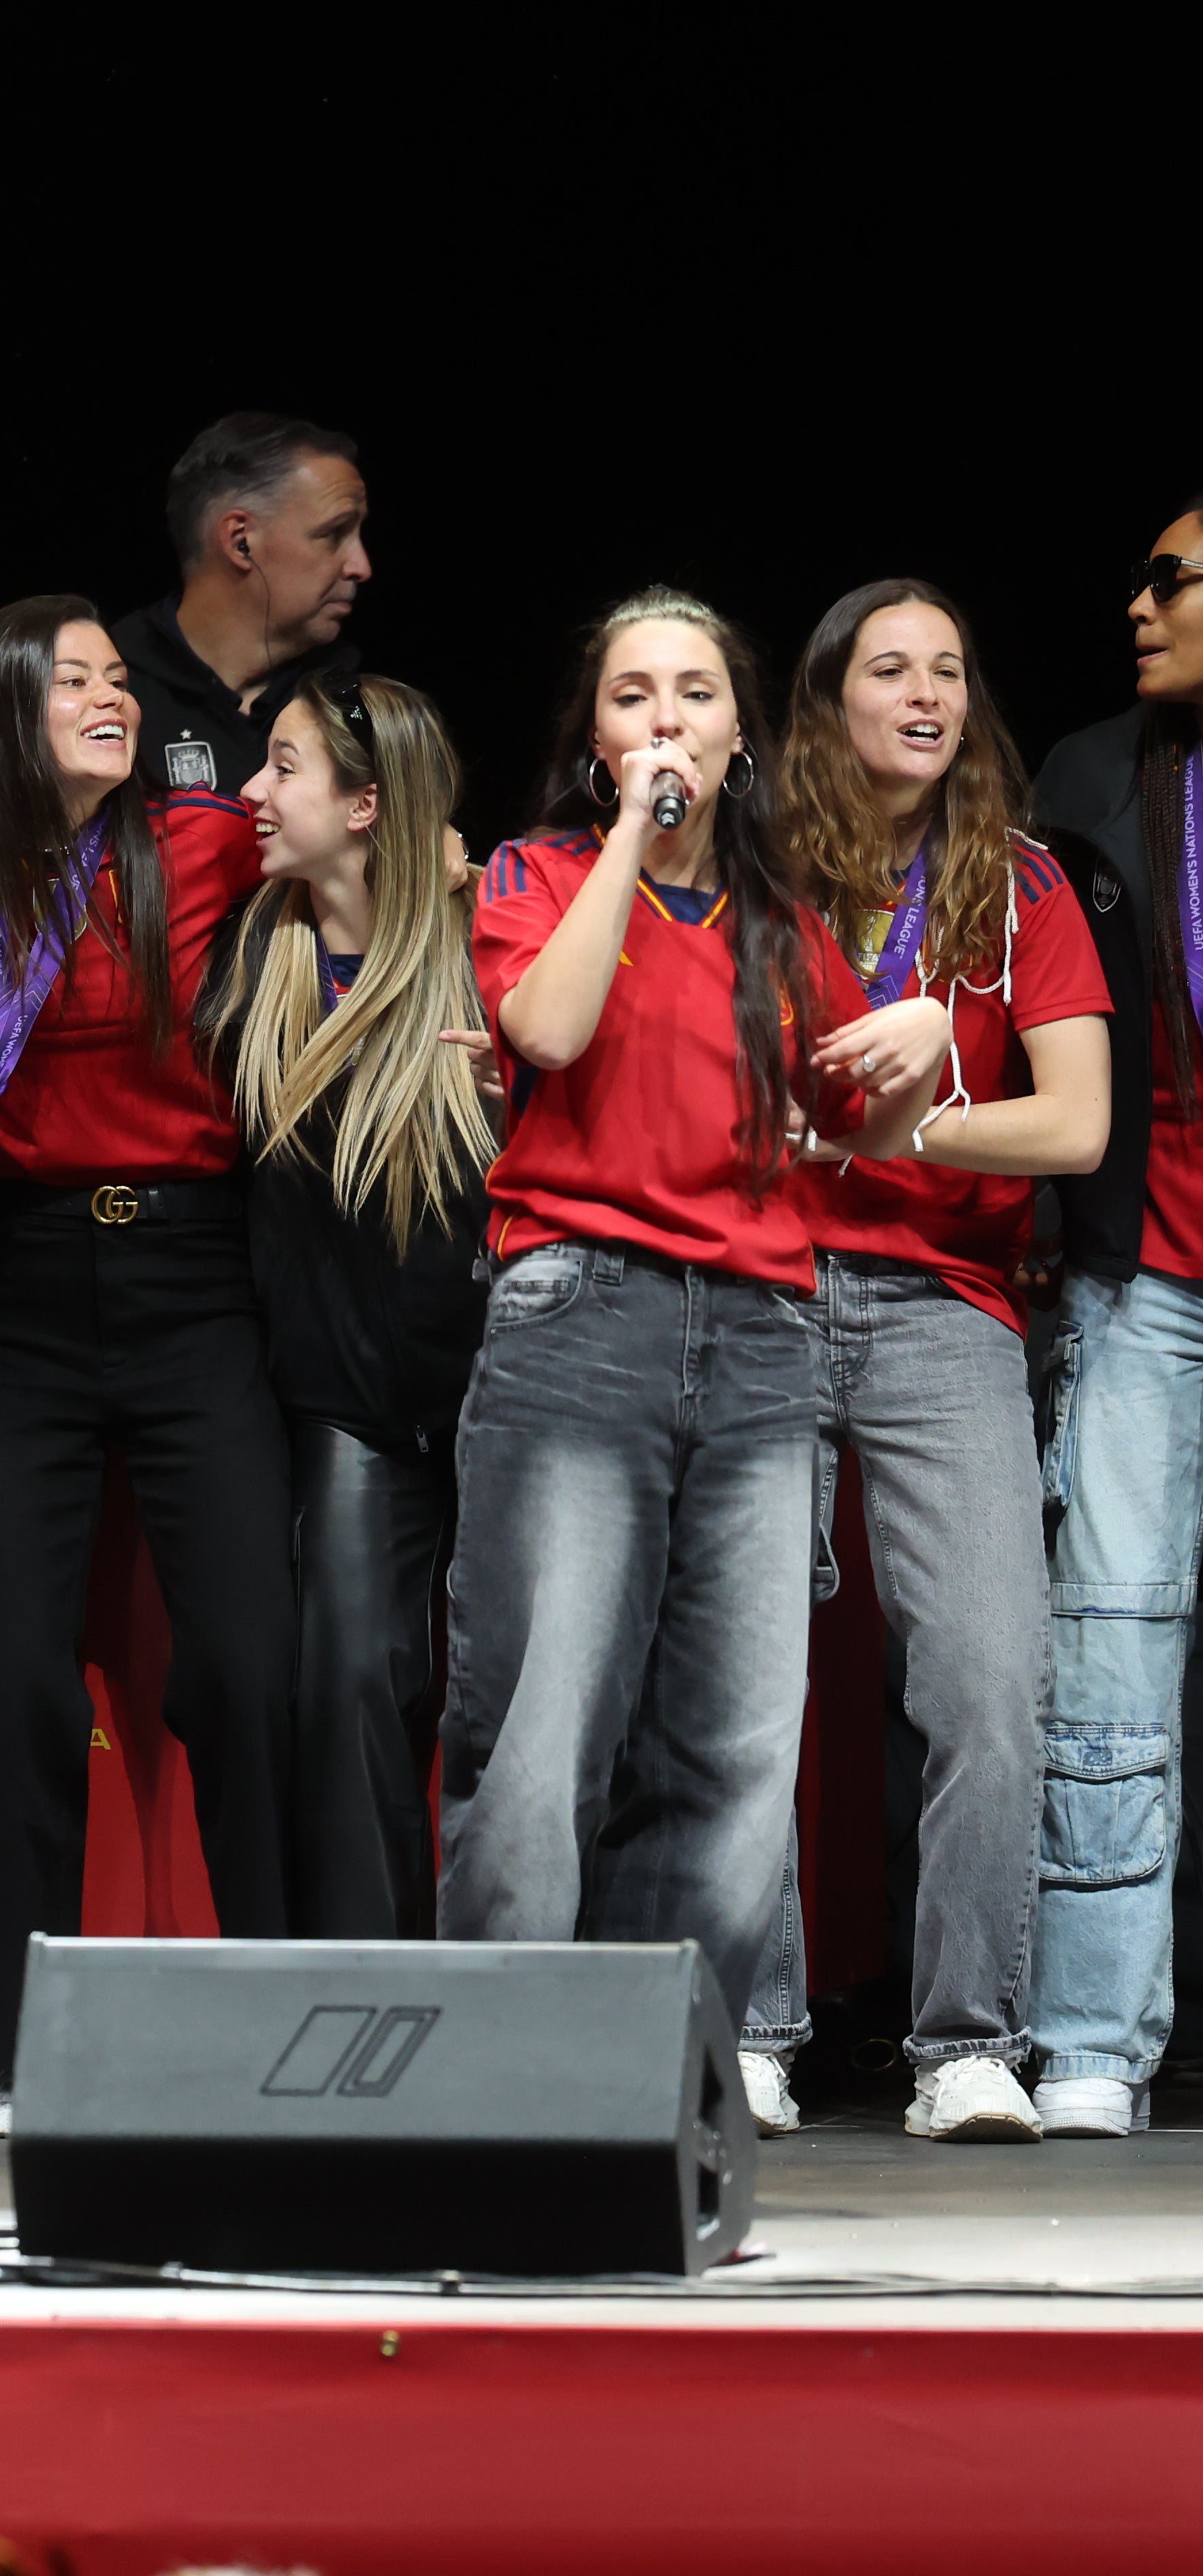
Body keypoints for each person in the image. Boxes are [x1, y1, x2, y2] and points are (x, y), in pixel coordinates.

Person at [446, 588, 948, 2034]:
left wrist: (921, 1036)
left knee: (732, 1750)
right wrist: (627, 837)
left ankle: (664, 2094)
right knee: (544, 1731)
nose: (666, 715)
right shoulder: (537, 872)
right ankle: (502, 2086)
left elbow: (865, 1123)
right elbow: (544, 1028)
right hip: (578, 1313)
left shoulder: (785, 917)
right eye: (632, 694)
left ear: (742, 733)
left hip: (760, 1335)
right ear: (594, 735)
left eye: (696, 692)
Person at [0, 597, 297, 2115]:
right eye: (74, 681)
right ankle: (19, 2043)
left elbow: (343, 850)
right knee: (8, 1678)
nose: (113, 696)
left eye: (120, 676)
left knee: (253, 1666)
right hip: (15, 1281)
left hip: (199, 1273)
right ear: (3, 703)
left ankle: (285, 2019)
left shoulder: (199, 837)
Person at [733, 580, 1110, 2144]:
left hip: (945, 1299)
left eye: (949, 669)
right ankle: (749, 2028)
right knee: (740, 1680)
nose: (927, 693)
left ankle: (969, 2044)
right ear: (827, 703)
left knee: (987, 1671)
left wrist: (929, 1106)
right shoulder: (749, 876)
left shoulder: (1016, 888)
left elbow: (1075, 1124)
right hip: (755, 1288)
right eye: (891, 668)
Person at [202, 670, 490, 1943]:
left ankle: (542, 2001)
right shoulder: (250, 959)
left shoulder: (493, 952)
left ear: (367, 803)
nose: (250, 791)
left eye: (283, 767)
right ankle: (378, 1994)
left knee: (523, 1706)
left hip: (509, 1399)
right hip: (343, 1406)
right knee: (355, 1689)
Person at [1021, 499, 1203, 2138]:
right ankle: (1090, 2036)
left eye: (1172, 578)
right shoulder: (1085, 781)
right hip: (1147, 1275)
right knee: (1112, 1652)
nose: (1135, 601)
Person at [115, 414, 370, 798]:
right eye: (333, 534)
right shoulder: (110, 693)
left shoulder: (352, 697)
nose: (361, 567)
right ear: (240, 542)